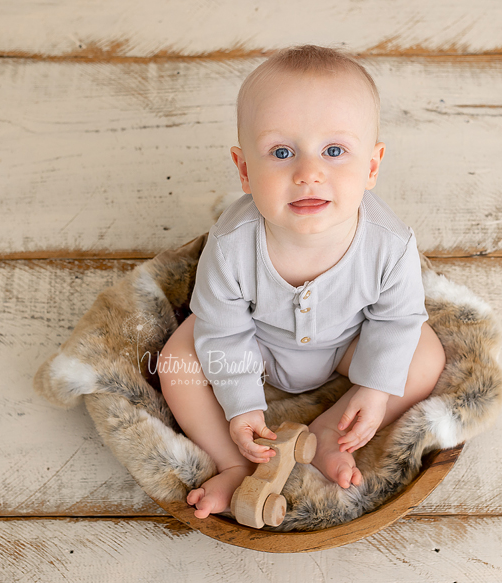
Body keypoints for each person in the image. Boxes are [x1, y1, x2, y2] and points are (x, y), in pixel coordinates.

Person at [158, 45, 446, 520]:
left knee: (425, 350)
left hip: (349, 344)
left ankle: (333, 431)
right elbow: (222, 328)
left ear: (371, 166)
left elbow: (395, 321)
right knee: (177, 360)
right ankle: (232, 465)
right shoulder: (230, 245)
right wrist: (240, 403)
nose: (308, 173)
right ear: (245, 169)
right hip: (256, 346)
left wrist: (374, 389)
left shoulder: (390, 245)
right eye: (282, 152)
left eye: (334, 151)